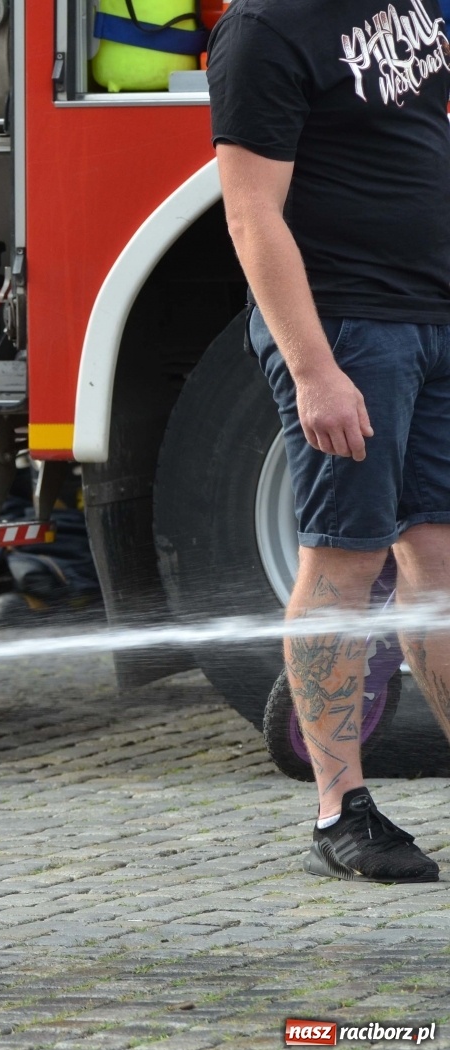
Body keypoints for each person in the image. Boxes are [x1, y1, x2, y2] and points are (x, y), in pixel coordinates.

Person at [209, 2, 450, 883]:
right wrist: (314, 369)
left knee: (437, 557)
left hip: (431, 318)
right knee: (343, 561)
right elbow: (251, 215)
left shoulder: (407, 6)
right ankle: (338, 811)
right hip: (348, 330)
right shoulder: (263, 31)